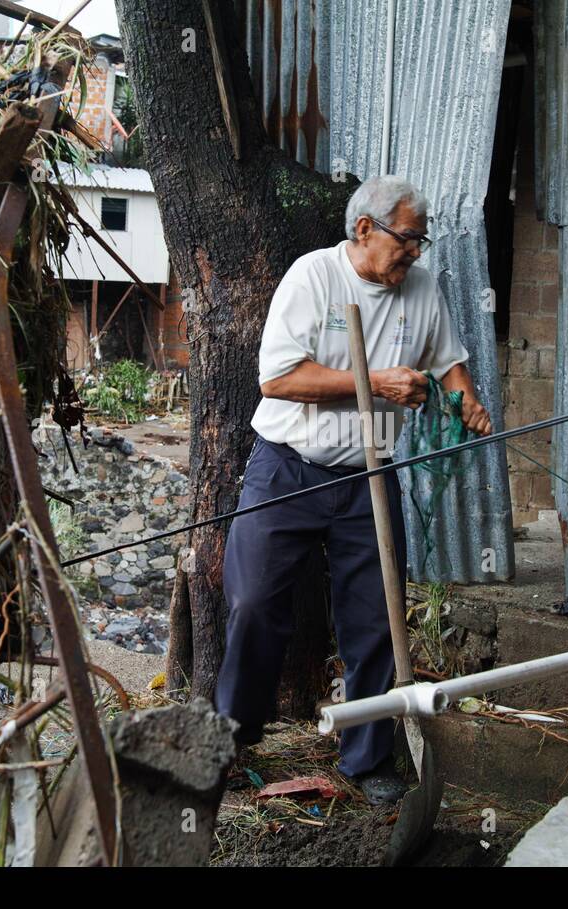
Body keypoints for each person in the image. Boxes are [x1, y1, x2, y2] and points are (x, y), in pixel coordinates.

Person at [214, 175, 493, 803]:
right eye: (408, 239)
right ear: (364, 229)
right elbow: (278, 378)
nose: (417, 252)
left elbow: (448, 360)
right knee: (255, 602)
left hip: (369, 477)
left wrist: (464, 398)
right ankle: (229, 743)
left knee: (373, 620)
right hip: (287, 467)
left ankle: (367, 761)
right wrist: (373, 381)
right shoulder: (313, 278)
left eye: (422, 241)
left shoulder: (421, 289)